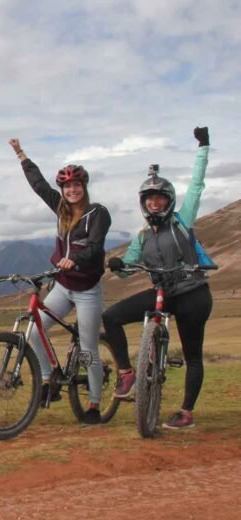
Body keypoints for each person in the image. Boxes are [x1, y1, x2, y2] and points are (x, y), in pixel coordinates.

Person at [103, 127, 213, 430]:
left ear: (169, 201)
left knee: (193, 354)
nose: (154, 203)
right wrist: (118, 265)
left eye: (159, 198)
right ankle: (127, 372)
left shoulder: (182, 220)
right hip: (163, 292)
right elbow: (129, 268)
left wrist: (203, 147)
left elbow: (196, 185)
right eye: (149, 198)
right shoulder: (141, 236)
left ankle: (186, 412)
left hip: (193, 292)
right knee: (111, 317)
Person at [9, 139, 111, 425]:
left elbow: (95, 246)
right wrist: (21, 156)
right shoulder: (61, 210)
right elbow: (39, 185)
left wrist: (75, 258)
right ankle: (48, 377)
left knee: (88, 348)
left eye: (76, 185)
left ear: (84, 187)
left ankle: (93, 404)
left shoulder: (98, 213)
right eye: (67, 186)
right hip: (63, 286)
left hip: (87, 289)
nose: (71, 190)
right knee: (34, 330)